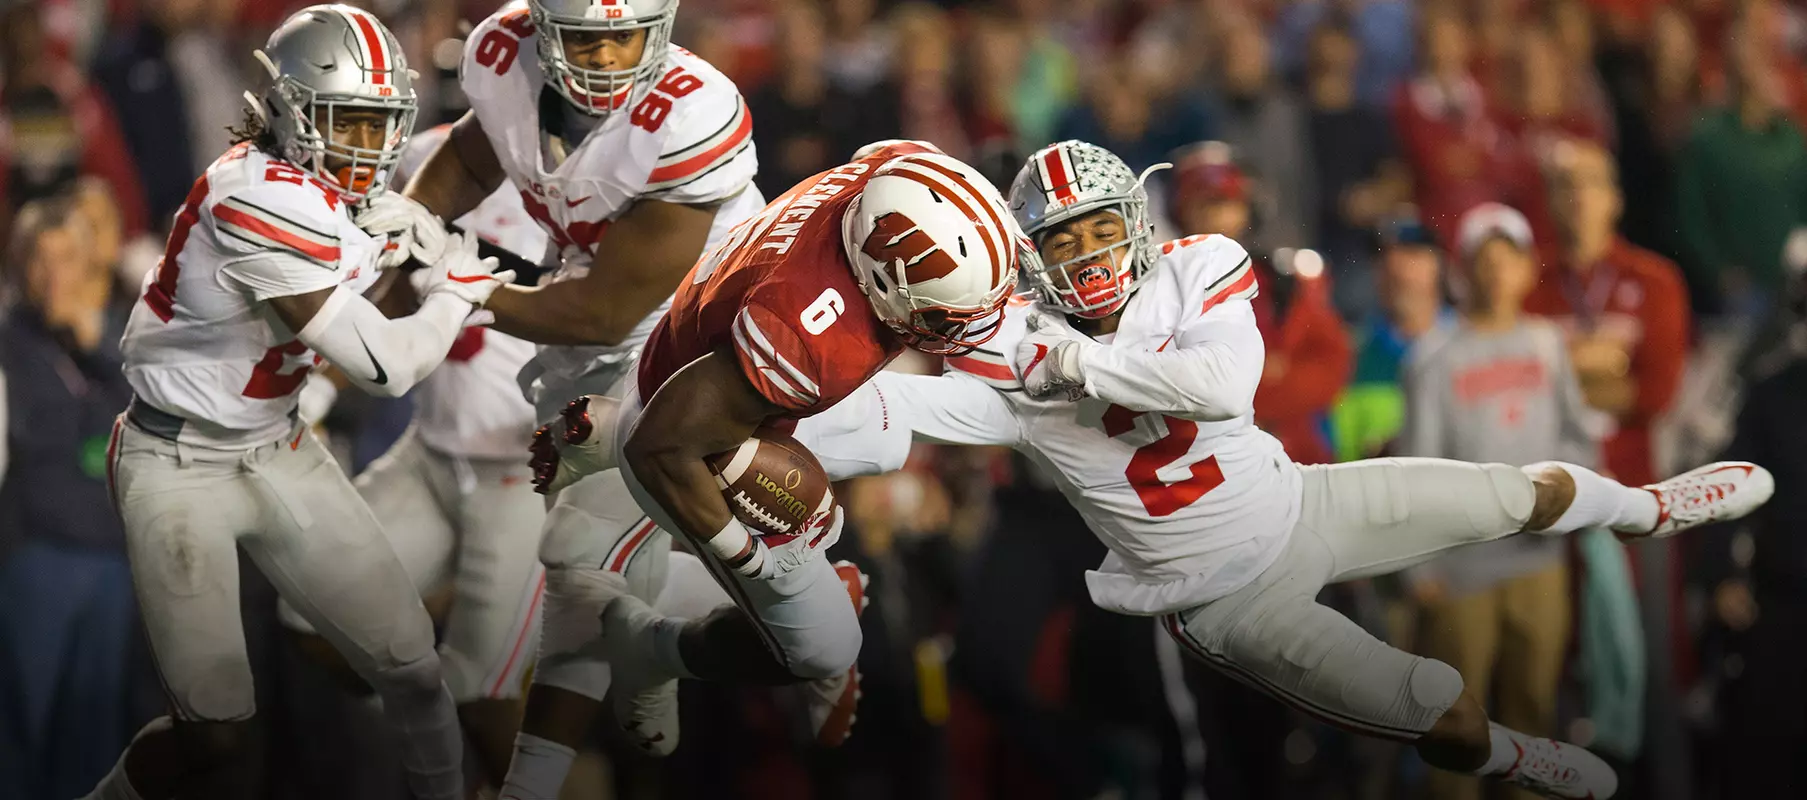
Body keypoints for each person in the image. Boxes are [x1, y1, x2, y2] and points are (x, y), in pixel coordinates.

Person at [781, 139, 1772, 799]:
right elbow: (885, 408)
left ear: (1138, 216)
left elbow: (1220, 386)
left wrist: (1075, 360)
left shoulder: (1196, 264)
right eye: (1061, 237)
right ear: (1029, 254)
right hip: (1223, 600)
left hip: (1301, 499)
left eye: (1097, 228)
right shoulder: (1008, 363)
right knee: (1444, 703)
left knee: (1518, 490)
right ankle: (1518, 754)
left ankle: (1641, 507)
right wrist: (756, 403)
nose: (1085, 253)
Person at [81, 7, 515, 800]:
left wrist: (387, 238)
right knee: (215, 734)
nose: (368, 147)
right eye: (346, 121)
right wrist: (455, 291)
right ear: (286, 110)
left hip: (276, 442)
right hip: (179, 460)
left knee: (413, 666)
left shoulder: (316, 190)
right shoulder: (252, 194)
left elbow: (345, 251)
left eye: (382, 124)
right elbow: (384, 364)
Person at [525, 140, 1021, 798]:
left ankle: (603, 432)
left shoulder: (887, 175)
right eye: (939, 315)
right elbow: (663, 448)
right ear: (881, 281)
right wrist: (749, 559)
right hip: (687, 434)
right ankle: (653, 646)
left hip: (712, 365)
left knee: (934, 427)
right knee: (825, 647)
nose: (959, 328)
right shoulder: (805, 336)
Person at [360, 0, 767, 788]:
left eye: (626, 33)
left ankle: (579, 739)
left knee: (584, 560)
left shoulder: (690, 116)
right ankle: (671, 637)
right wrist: (412, 217)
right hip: (581, 337)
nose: (609, 56)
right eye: (587, 34)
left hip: (693, 341)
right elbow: (479, 152)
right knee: (595, 565)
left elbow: (602, 312)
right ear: (543, 27)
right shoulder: (504, 53)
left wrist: (463, 283)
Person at [275, 122, 552, 786]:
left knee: (486, 697)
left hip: (523, 465)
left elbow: (608, 320)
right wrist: (317, 388)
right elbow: (395, 286)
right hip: (430, 447)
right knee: (307, 606)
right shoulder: (428, 156)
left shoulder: (583, 189)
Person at [1401, 203, 1598, 800]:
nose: (1495, 273)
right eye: (1482, 260)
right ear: (1463, 269)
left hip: (1537, 561)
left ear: (1525, 268)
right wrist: (1419, 566)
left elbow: (1577, 434)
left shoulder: (1546, 342)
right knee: (1459, 724)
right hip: (1463, 567)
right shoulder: (1434, 356)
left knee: (1533, 712)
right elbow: (1416, 470)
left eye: (1507, 258)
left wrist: (1563, 490)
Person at [0, 196, 147, 799]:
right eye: (40, 259)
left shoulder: (124, 337)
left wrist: (98, 348)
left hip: (112, 557)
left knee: (94, 739)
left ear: (92, 263)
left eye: (68, 258)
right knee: (20, 727)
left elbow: (149, 417)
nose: (54, 273)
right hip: (37, 554)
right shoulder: (13, 340)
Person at [1331, 214, 1452, 462]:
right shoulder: (1350, 353)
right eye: (1383, 258)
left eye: (1411, 254)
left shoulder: (1470, 342)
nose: (1395, 268)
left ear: (1439, 264)